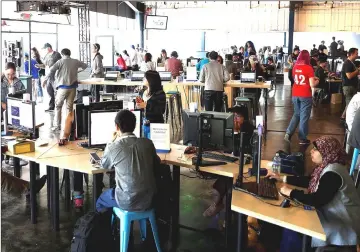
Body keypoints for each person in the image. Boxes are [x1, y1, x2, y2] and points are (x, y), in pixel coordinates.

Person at [268, 136, 360, 252]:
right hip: (332, 215)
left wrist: (291, 192)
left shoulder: (333, 173)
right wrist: (283, 178)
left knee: (293, 222)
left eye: (316, 149)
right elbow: (310, 180)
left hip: (342, 226)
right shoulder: (329, 166)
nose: (311, 151)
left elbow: (317, 200)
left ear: (326, 152)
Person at [95, 110, 159, 212]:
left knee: (101, 200)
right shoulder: (148, 143)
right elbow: (157, 163)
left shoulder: (114, 147)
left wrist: (111, 141)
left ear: (116, 127)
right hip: (149, 199)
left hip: (126, 201)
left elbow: (105, 165)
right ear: (135, 125)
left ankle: (111, 227)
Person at [203, 106, 254, 217]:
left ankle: (220, 206)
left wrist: (236, 133)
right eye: (233, 116)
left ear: (245, 119)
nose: (235, 119)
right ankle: (221, 205)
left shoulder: (249, 130)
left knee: (227, 179)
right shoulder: (227, 127)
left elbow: (239, 151)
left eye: (238, 116)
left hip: (245, 165)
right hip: (230, 162)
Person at [43, 48, 87, 132]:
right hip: (73, 88)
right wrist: (76, 72)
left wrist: (45, 79)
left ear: (62, 54)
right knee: (69, 108)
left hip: (62, 88)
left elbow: (51, 70)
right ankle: (69, 126)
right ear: (69, 54)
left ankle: (57, 126)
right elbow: (85, 66)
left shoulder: (60, 61)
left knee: (58, 106)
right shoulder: (75, 61)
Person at [285, 50, 319, 145]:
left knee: (297, 114)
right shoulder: (309, 68)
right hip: (305, 95)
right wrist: (318, 81)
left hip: (295, 93)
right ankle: (302, 138)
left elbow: (296, 78)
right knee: (304, 116)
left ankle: (288, 133)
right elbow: (312, 84)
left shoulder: (295, 66)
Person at [38, 43, 62, 112]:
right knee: (49, 91)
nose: (44, 51)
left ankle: (58, 106)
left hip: (55, 76)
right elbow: (45, 65)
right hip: (48, 76)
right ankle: (51, 106)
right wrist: (39, 66)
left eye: (45, 49)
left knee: (56, 91)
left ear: (48, 48)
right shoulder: (46, 56)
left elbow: (60, 64)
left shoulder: (56, 54)